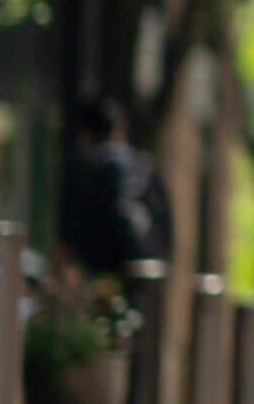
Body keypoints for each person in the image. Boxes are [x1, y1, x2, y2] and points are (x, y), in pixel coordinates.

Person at [59, 98, 171, 276]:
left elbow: (73, 232)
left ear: (86, 134)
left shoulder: (88, 170)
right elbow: (165, 222)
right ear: (120, 129)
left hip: (101, 275)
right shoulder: (144, 166)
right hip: (144, 273)